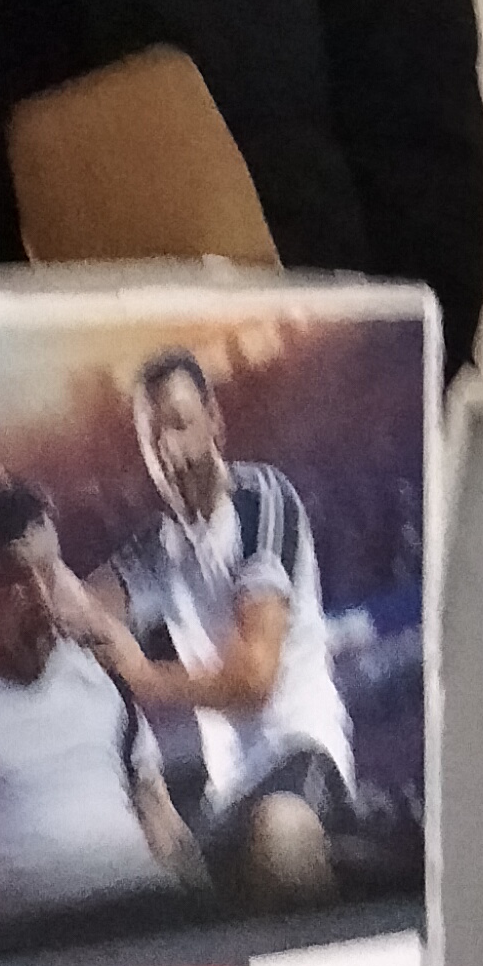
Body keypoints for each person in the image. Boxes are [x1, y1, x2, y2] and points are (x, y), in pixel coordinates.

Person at [101, 350, 357, 899]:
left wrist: (145, 677)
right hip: (228, 794)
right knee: (146, 878)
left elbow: (254, 679)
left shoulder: (261, 500)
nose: (169, 450)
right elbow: (76, 605)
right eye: (153, 439)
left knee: (280, 836)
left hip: (302, 755)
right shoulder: (156, 548)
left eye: (180, 424)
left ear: (215, 422)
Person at [0, 478, 204, 941]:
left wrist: (214, 926)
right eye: (18, 581)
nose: (41, 599)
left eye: (48, 572)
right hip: (42, 946)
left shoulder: (103, 676)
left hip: (147, 920)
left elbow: (162, 821)